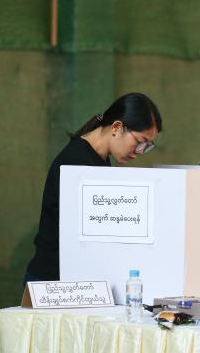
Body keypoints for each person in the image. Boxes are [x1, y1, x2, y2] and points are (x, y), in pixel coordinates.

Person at [24, 92, 162, 284]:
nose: (139, 152)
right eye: (139, 142)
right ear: (117, 127)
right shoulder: (77, 164)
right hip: (51, 283)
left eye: (147, 146)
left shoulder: (98, 160)